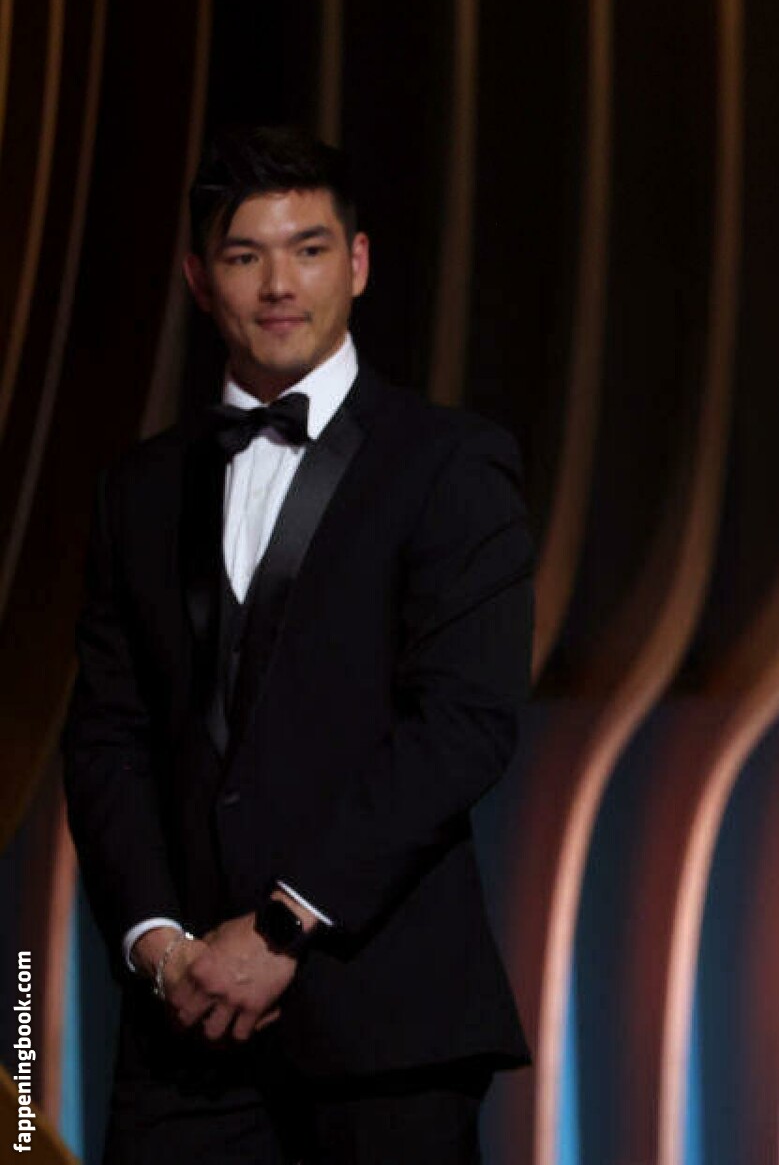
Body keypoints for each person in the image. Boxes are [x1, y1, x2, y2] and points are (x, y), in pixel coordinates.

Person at [62, 126, 532, 1163]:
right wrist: (158, 945)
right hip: (183, 1036)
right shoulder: (135, 490)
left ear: (356, 263)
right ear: (199, 278)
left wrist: (282, 925)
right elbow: (105, 739)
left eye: (309, 250)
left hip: (387, 1032)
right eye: (245, 256)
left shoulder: (451, 462)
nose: (279, 284)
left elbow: (463, 724)